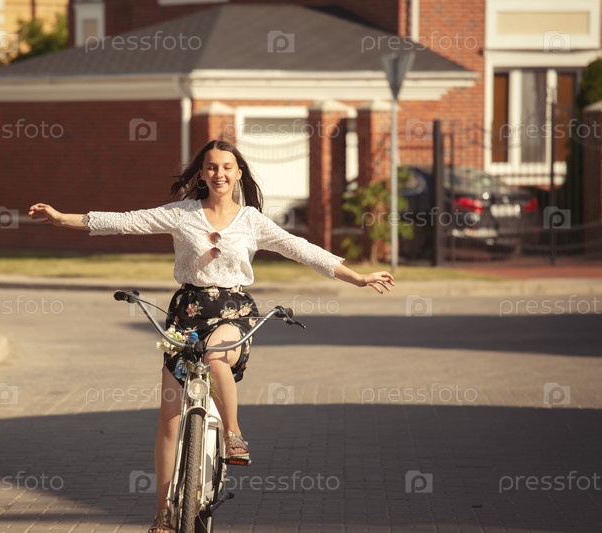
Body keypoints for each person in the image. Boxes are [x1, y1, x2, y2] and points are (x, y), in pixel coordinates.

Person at [28, 139, 394, 533]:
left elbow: (301, 249)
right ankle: (163, 513)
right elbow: (127, 220)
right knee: (170, 420)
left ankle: (234, 434)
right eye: (212, 167)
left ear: (238, 173)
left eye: (227, 167)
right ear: (202, 173)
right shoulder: (182, 213)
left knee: (216, 354)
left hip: (233, 310)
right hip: (186, 311)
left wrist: (357, 277)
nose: (219, 173)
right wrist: (62, 219)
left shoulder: (252, 221)